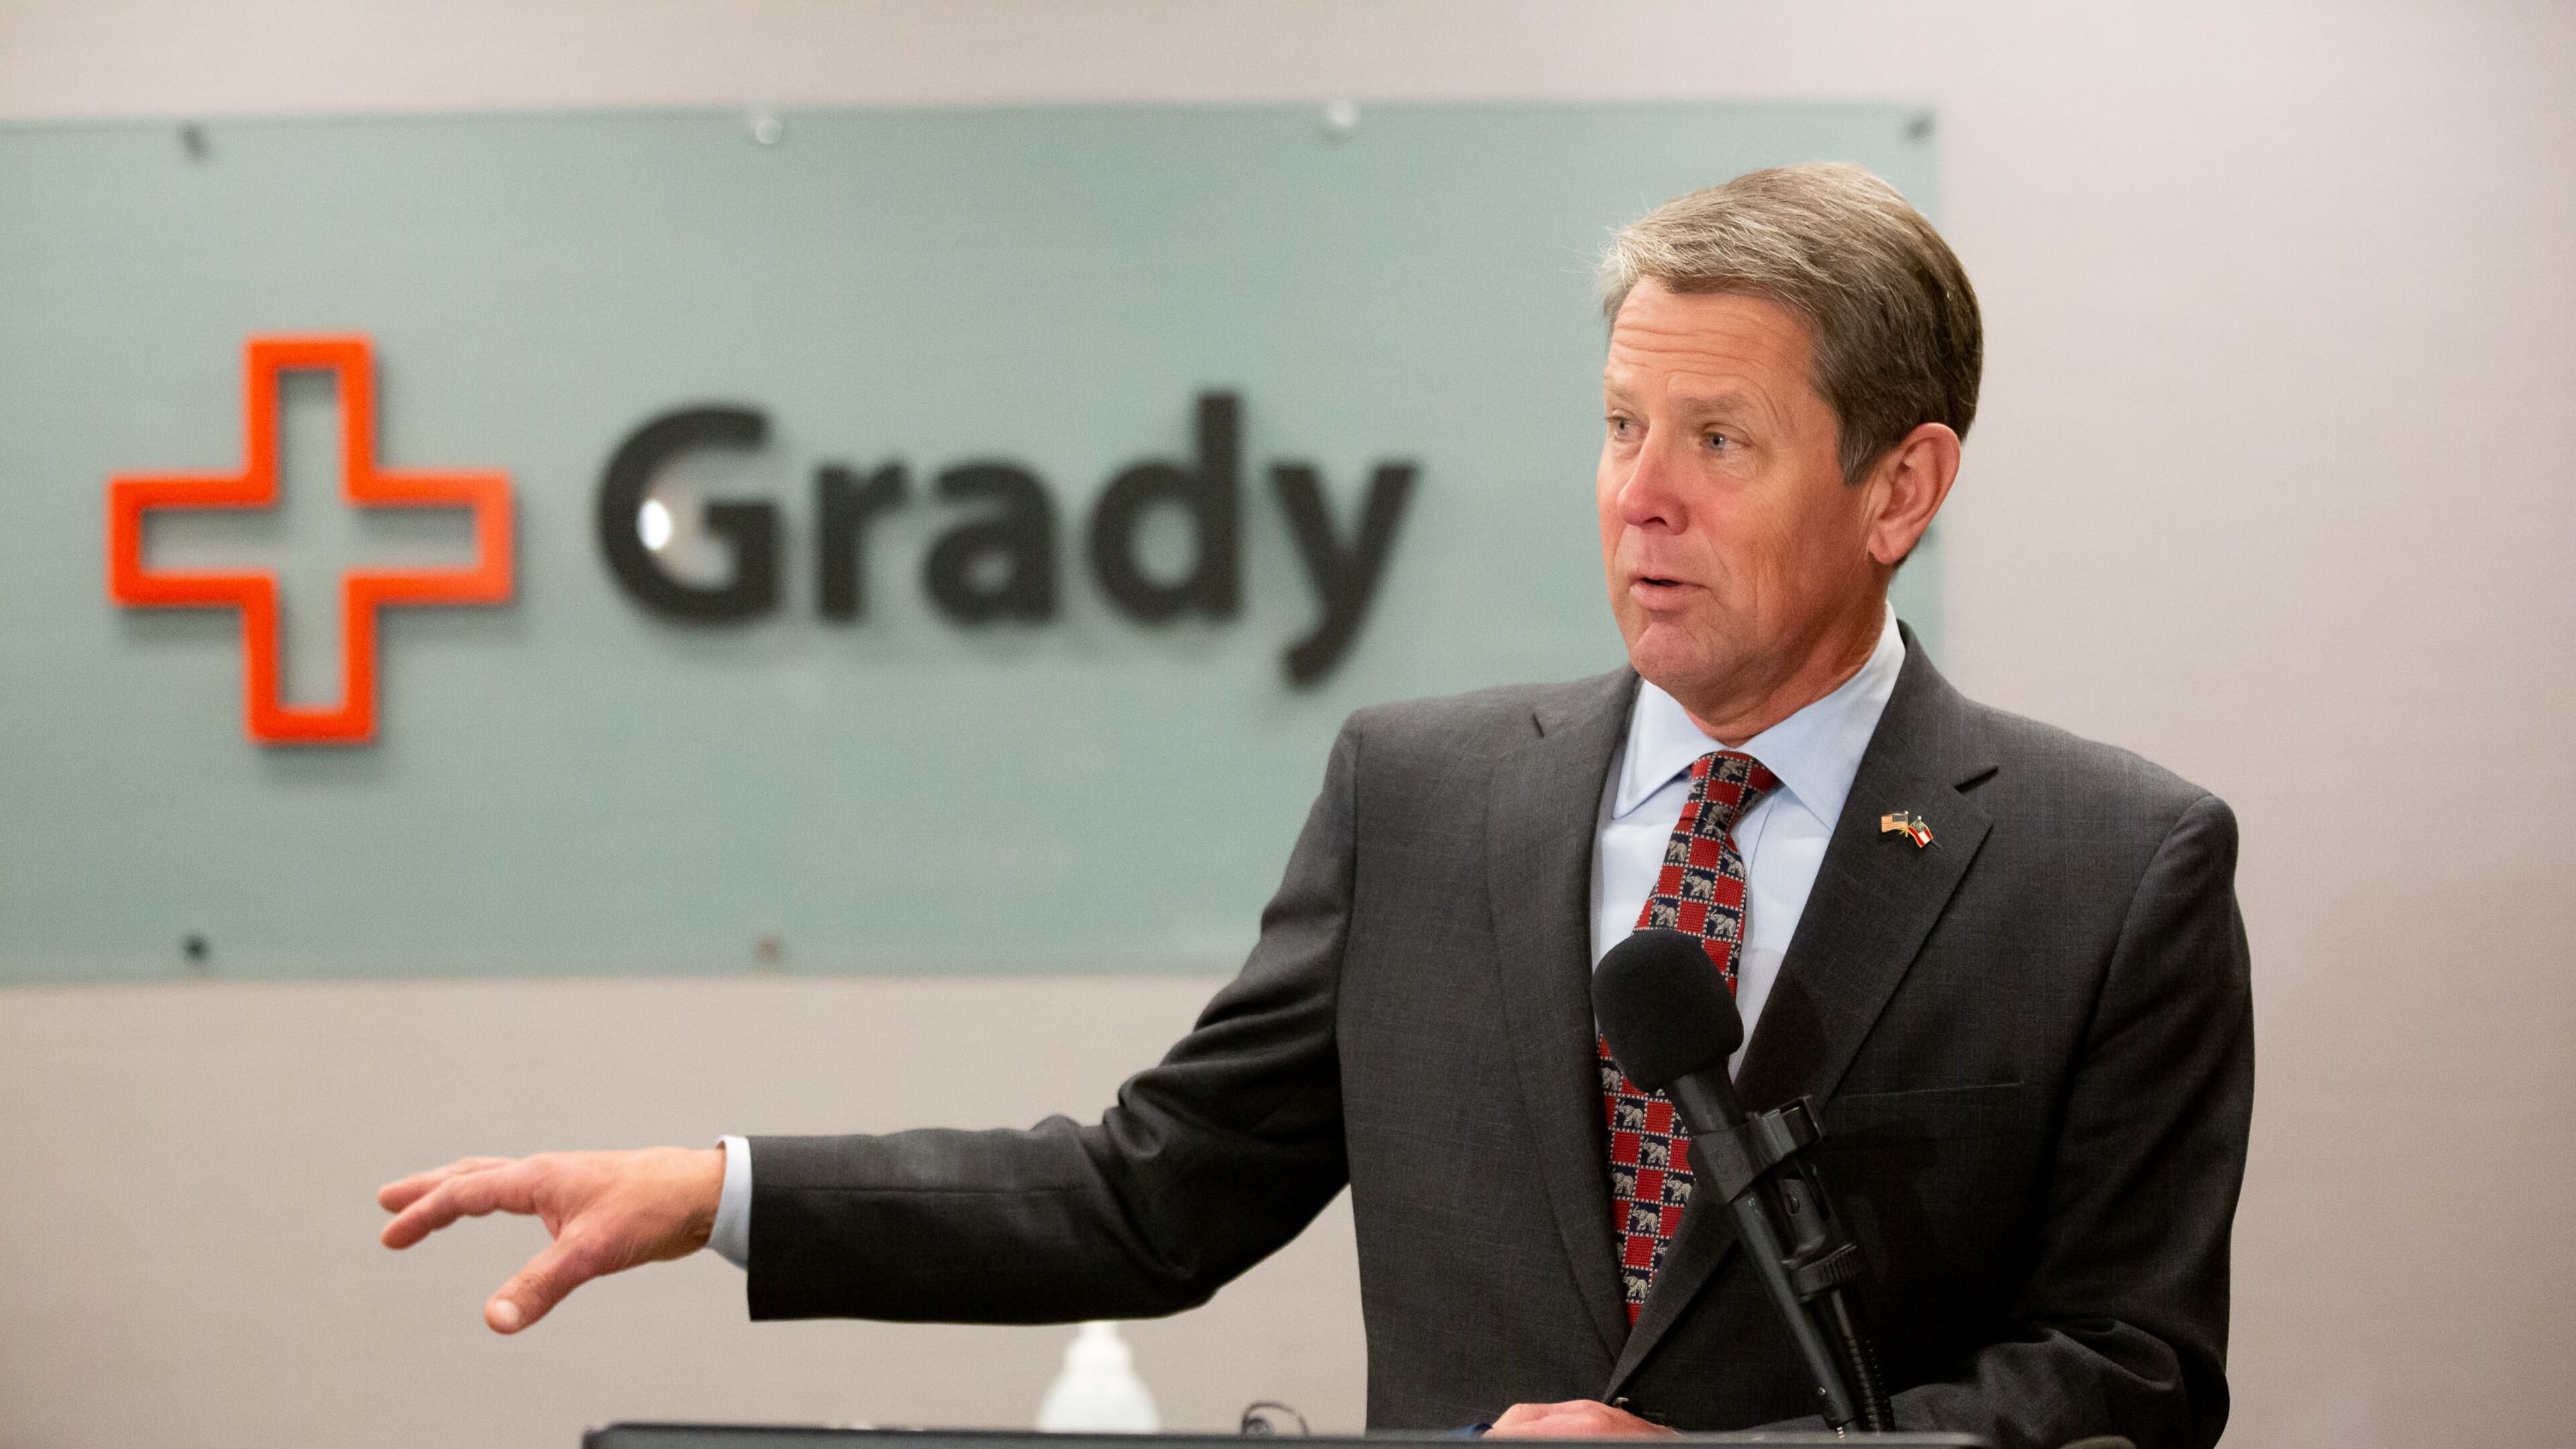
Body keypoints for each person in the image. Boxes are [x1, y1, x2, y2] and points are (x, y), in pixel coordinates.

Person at [379, 164, 2253, 1448]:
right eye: (1620, 427)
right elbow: (1148, 1199)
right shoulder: (1426, 798)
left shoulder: (2111, 867)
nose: (1639, 495)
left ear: (1902, 486)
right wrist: (722, 1194)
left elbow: (2128, 1378)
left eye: (1720, 441)